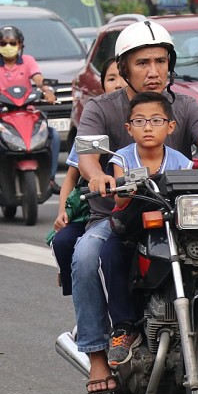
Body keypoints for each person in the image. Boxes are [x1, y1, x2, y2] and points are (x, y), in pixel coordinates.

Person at [73, 20, 198, 394]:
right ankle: (98, 353)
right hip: (118, 215)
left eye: (160, 61)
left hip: (179, 214)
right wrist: (97, 176)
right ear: (124, 67)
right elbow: (87, 156)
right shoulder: (102, 107)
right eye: (143, 62)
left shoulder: (187, 106)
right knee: (85, 255)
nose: (153, 71)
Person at [103, 91, 193, 367]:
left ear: (171, 126)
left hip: (171, 229)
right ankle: (123, 328)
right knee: (110, 253)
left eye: (156, 120)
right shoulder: (122, 157)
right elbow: (118, 196)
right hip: (130, 229)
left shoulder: (181, 161)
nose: (148, 127)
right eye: (140, 121)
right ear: (128, 128)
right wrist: (126, 185)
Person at [51, 57, 126, 294]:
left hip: (131, 210)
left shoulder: (145, 120)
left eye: (122, 77)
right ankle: (81, 299)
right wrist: (63, 211)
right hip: (91, 210)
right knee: (64, 243)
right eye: (111, 78)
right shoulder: (92, 123)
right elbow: (72, 178)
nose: (118, 84)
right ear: (102, 85)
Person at [0, 26, 60, 199]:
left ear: (20, 45)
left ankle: (51, 179)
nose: (8, 46)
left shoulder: (28, 61)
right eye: (4, 43)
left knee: (53, 135)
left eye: (12, 43)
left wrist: (46, 91)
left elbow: (38, 79)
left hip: (27, 112)